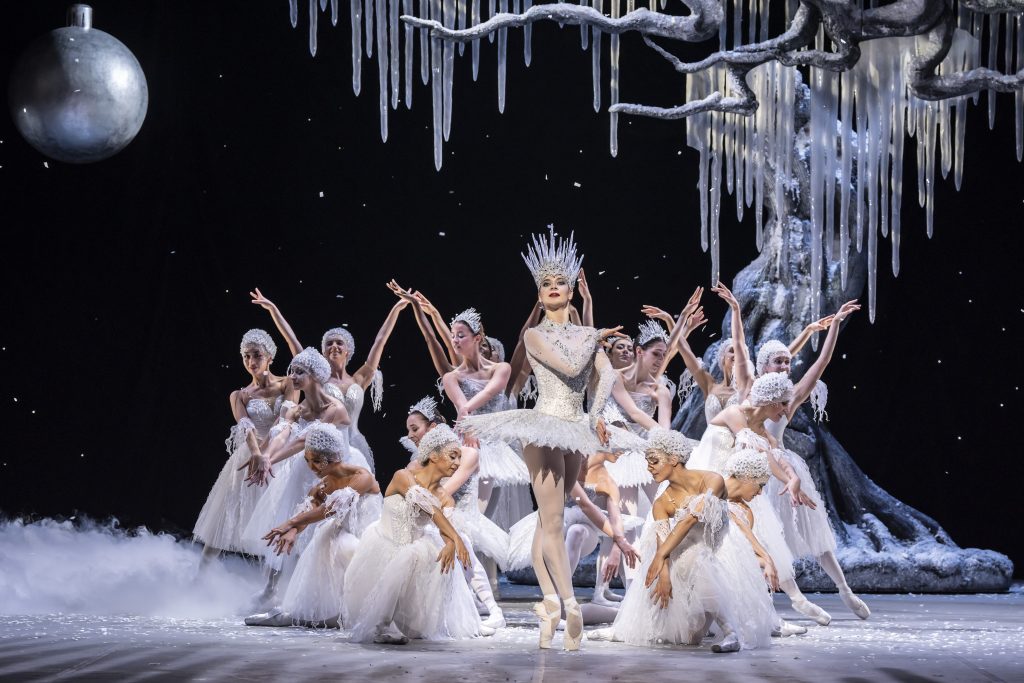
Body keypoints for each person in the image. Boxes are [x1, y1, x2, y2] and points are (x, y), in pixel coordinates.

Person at [459, 227, 621, 650]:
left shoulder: (588, 334)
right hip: (543, 426)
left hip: (574, 430)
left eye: (559, 282)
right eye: (545, 284)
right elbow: (569, 369)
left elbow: (606, 375)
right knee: (552, 521)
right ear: (540, 293)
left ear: (571, 290)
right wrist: (593, 338)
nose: (552, 288)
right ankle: (569, 607)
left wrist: (598, 412)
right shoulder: (535, 335)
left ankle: (547, 602)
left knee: (548, 524)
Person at [752, 299, 871, 620]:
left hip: (783, 465)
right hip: (752, 470)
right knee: (770, 536)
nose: (784, 368)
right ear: (763, 367)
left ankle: (844, 589)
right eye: (778, 363)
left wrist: (832, 328)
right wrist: (803, 332)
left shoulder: (788, 400)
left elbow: (821, 362)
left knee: (814, 529)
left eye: (787, 364)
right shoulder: (747, 395)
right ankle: (797, 599)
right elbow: (760, 356)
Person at [588, 428, 743, 652]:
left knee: (699, 557)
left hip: (710, 556)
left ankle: (731, 633)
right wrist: (663, 573)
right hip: (679, 557)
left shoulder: (712, 480)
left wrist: (660, 558)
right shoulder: (662, 502)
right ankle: (623, 629)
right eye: (647, 461)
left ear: (673, 459)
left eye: (654, 460)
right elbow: (663, 538)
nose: (649, 466)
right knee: (688, 638)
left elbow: (689, 520)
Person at [343, 424, 493, 643]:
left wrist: (451, 542)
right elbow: (426, 505)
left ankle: (414, 619)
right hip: (383, 545)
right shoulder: (403, 476)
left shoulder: (443, 495)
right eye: (453, 456)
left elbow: (443, 523)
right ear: (433, 455)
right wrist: (455, 538)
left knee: (424, 551)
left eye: (459, 458)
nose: (457, 463)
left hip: (409, 551)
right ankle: (380, 625)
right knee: (413, 554)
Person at [250, 287, 408, 473]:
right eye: (328, 343)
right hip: (320, 444)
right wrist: (273, 309)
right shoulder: (315, 378)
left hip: (352, 443)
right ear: (322, 352)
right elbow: (291, 340)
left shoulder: (359, 378)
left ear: (347, 350)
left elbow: (380, 341)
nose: (334, 346)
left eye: (338, 342)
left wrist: (397, 309)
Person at [243, 423, 381, 627]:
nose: (312, 467)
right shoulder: (322, 487)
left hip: (372, 536)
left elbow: (333, 508)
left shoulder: (362, 476)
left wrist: (290, 522)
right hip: (346, 537)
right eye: (308, 460)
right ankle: (303, 612)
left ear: (334, 457)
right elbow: (310, 510)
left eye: (317, 461)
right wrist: (293, 531)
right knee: (336, 539)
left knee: (344, 542)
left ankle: (369, 613)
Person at [193, 329, 294, 564]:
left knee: (277, 516)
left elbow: (285, 420)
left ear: (270, 356)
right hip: (249, 455)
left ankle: (269, 588)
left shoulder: (287, 384)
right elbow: (246, 426)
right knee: (224, 516)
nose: (251, 361)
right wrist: (257, 454)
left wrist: (266, 454)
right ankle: (201, 577)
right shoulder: (240, 395)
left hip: (278, 454)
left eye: (256, 355)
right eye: (246, 356)